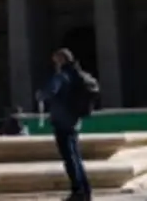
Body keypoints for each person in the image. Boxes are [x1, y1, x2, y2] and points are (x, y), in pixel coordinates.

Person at [36, 48, 100, 201]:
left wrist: (40, 95)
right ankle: (85, 190)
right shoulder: (75, 74)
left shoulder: (61, 76)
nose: (55, 64)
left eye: (56, 60)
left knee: (69, 159)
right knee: (76, 157)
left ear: (62, 60)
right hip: (74, 121)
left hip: (62, 121)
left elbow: (50, 92)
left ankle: (77, 192)